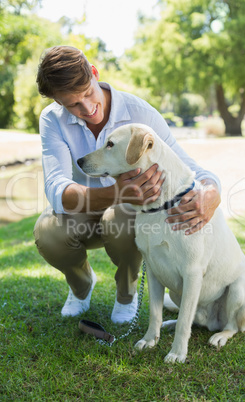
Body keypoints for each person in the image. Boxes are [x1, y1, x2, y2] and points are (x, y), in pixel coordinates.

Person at [34, 45, 221, 323]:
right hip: (82, 209)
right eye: (73, 104)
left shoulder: (139, 113)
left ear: (95, 73)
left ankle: (126, 294)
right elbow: (56, 188)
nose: (87, 108)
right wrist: (116, 192)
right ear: (58, 102)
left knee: (119, 218)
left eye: (88, 93)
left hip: (125, 215)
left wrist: (212, 192)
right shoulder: (52, 120)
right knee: (47, 233)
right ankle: (81, 286)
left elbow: (187, 165)